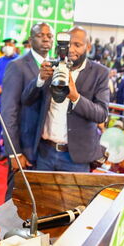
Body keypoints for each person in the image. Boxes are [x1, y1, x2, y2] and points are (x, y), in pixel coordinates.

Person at [21, 26, 109, 172]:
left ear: (88, 47)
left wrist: (76, 97)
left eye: (78, 45)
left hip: (76, 159)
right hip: (45, 152)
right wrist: (40, 79)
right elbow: (26, 100)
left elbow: (101, 114)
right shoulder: (52, 67)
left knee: (71, 196)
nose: (71, 49)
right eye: (68, 44)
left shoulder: (100, 73)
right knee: (42, 196)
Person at [1, 22, 53, 201]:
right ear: (31, 40)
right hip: (24, 148)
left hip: (48, 151)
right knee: (15, 201)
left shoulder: (57, 67)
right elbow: (8, 112)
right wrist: (14, 153)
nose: (46, 38)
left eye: (49, 35)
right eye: (41, 35)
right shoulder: (18, 66)